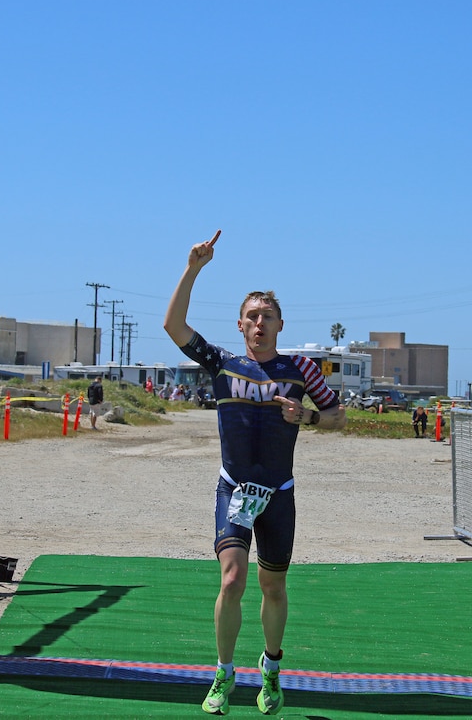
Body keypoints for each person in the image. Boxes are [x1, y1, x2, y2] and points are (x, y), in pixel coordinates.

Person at [163, 230, 346, 716]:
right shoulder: (224, 364)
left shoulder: (301, 368)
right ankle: (223, 674)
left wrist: (304, 416)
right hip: (235, 489)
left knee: (273, 586)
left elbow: (339, 418)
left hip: (279, 493)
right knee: (231, 580)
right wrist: (193, 268)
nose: (259, 322)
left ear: (280, 323)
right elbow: (174, 326)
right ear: (240, 325)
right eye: (252, 316)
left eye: (267, 315)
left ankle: (270, 667)